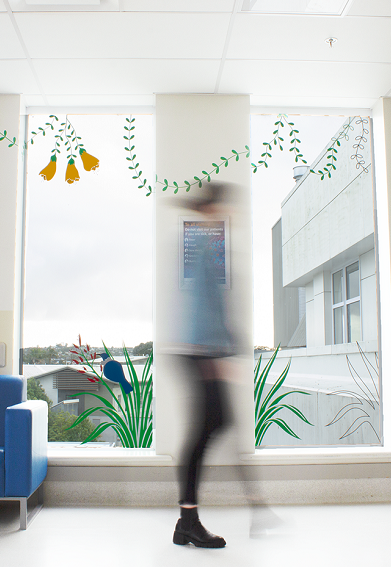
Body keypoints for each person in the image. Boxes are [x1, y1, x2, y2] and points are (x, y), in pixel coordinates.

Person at [172, 182, 235, 549]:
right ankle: (189, 521)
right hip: (200, 352)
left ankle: (186, 522)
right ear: (210, 209)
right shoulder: (205, 249)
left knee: (212, 425)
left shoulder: (210, 247)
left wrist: (226, 349)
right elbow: (201, 308)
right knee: (205, 430)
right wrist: (212, 356)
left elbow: (217, 309)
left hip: (206, 351)